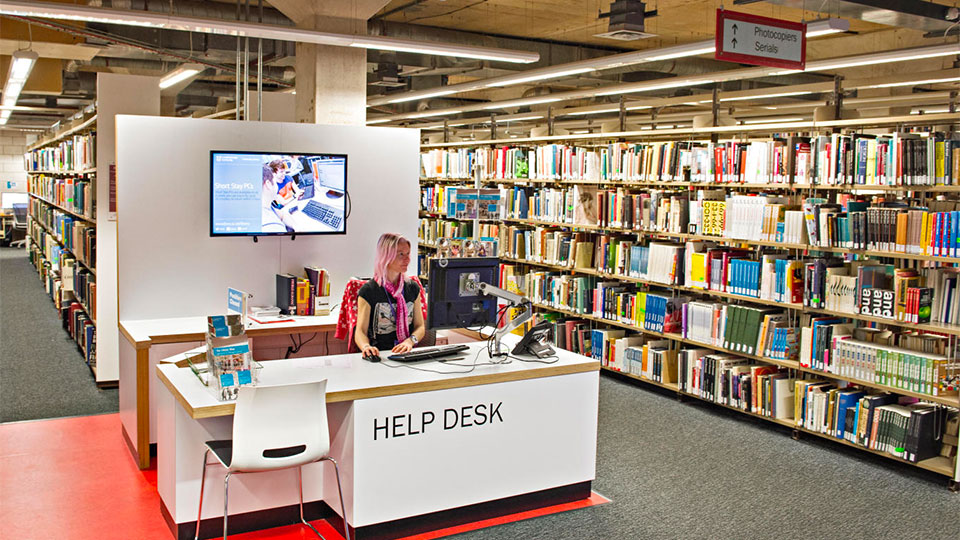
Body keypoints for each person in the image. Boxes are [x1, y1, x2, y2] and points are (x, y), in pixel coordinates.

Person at [355, 233, 425, 358]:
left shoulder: (413, 288)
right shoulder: (368, 291)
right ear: (386, 257)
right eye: (400, 254)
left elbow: (420, 327)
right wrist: (366, 347)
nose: (407, 259)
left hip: (406, 353)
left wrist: (410, 341)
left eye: (408, 253)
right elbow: (360, 332)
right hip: (379, 355)